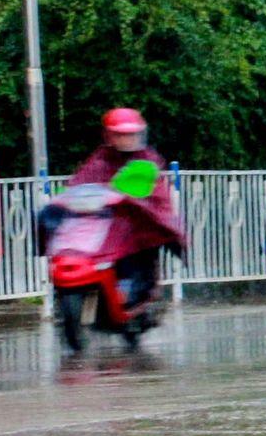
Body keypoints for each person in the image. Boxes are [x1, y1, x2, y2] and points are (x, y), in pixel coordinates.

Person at [57, 107, 186, 311]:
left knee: (138, 247)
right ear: (109, 136)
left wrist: (129, 199)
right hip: (106, 221)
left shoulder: (146, 159)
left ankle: (136, 291)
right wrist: (65, 197)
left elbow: (146, 187)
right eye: (120, 135)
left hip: (138, 222)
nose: (126, 140)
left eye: (130, 135)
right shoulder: (102, 158)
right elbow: (83, 179)